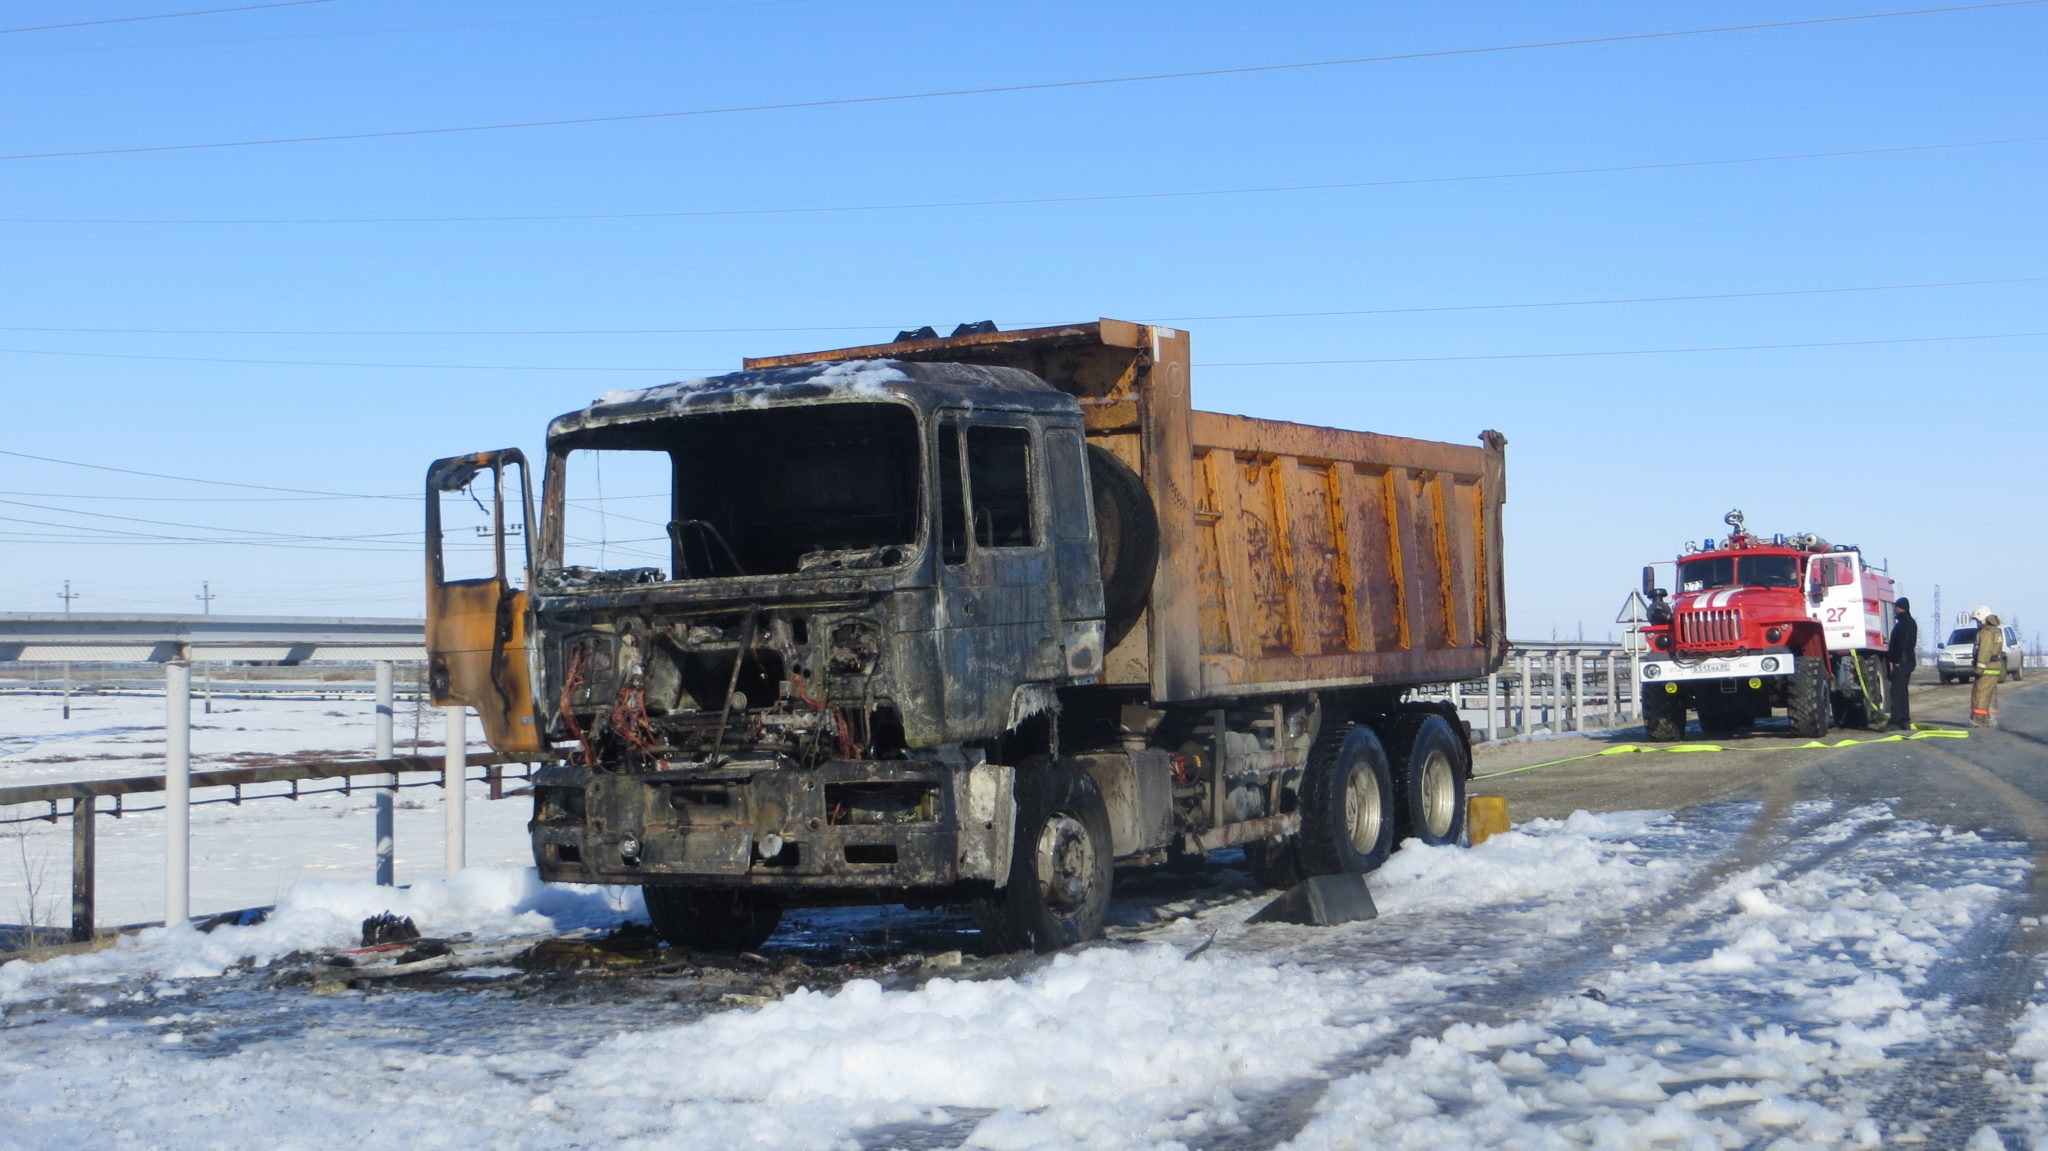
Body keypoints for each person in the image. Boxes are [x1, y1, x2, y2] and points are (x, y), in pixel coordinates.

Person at [1971, 604, 2005, 728]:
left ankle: (1979, 720)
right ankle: (1992, 718)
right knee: (1990, 694)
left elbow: (1984, 650)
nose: (1977, 624)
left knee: (1981, 694)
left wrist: (1979, 668)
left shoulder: (1986, 632)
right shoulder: (1996, 630)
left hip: (1986, 668)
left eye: (1977, 621)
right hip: (1995, 667)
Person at [1886, 597, 1917, 729]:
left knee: (1896, 692)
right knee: (1903, 691)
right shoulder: (1910, 622)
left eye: (1896, 607)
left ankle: (1895, 721)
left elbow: (1902, 643)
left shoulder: (1903, 623)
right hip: (1908, 661)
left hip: (1902, 662)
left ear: (1900, 607)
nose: (1894, 609)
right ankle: (1905, 720)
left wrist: (1897, 660)